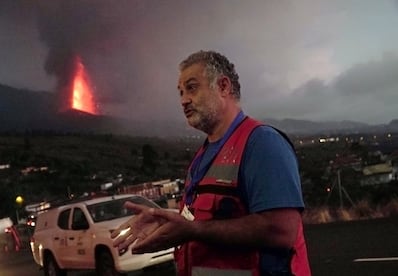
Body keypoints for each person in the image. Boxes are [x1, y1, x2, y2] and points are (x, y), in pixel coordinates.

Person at [112, 50, 311, 276]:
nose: (184, 100)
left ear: (223, 87)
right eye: (180, 92)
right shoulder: (201, 158)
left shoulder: (261, 142)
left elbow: (281, 231)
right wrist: (165, 224)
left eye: (192, 87)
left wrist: (192, 230)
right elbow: (197, 221)